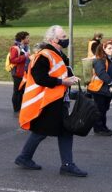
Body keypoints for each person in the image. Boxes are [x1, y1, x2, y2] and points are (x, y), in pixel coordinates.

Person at [14, 25, 88, 177]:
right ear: (52, 40)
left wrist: (69, 80)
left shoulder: (58, 54)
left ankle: (25, 157)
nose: (66, 39)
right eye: (63, 37)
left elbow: (60, 74)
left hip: (56, 100)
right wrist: (63, 82)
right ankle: (66, 165)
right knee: (57, 131)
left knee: (47, 131)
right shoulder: (44, 55)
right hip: (49, 102)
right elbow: (40, 78)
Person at [87, 38, 112, 136]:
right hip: (98, 89)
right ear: (104, 49)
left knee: (104, 109)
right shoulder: (100, 60)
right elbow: (101, 73)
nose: (111, 50)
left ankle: (103, 127)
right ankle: (99, 129)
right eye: (109, 48)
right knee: (99, 110)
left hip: (108, 90)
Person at [9, 31, 30, 113]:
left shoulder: (26, 47)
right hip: (17, 73)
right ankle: (16, 109)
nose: (29, 39)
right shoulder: (15, 48)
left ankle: (21, 107)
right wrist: (24, 56)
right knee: (17, 91)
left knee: (22, 91)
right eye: (27, 38)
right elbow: (13, 60)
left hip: (25, 73)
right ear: (22, 39)